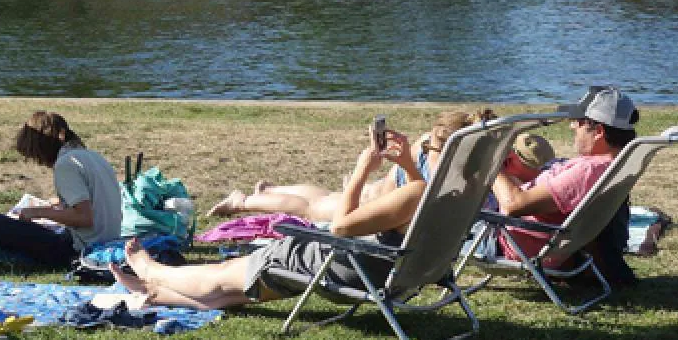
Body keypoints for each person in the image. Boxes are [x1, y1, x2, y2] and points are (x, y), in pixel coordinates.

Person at [109, 123, 440, 310]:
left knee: (224, 272)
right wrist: (410, 166)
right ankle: (154, 292)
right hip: (384, 272)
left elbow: (340, 226)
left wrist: (361, 170)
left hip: (347, 268)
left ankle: (152, 270)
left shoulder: (417, 192)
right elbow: (412, 203)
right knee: (235, 291)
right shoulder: (453, 197)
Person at [206, 109, 508, 222]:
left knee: (321, 202)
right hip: (377, 203)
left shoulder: (426, 153)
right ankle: (245, 200)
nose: (427, 146)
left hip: (380, 202)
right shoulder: (476, 170)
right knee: (315, 207)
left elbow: (400, 191)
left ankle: (261, 194)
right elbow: (402, 194)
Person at [489, 86, 640, 276]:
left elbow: (514, 204)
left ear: (599, 131)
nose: (572, 126)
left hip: (505, 239)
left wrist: (491, 164)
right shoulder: (613, 166)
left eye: (578, 121)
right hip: (541, 238)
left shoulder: (589, 171)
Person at [0, 112, 122, 268]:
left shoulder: (66, 164)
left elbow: (84, 218)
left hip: (79, 250)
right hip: (108, 241)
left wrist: (37, 212)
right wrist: (56, 206)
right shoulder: (93, 157)